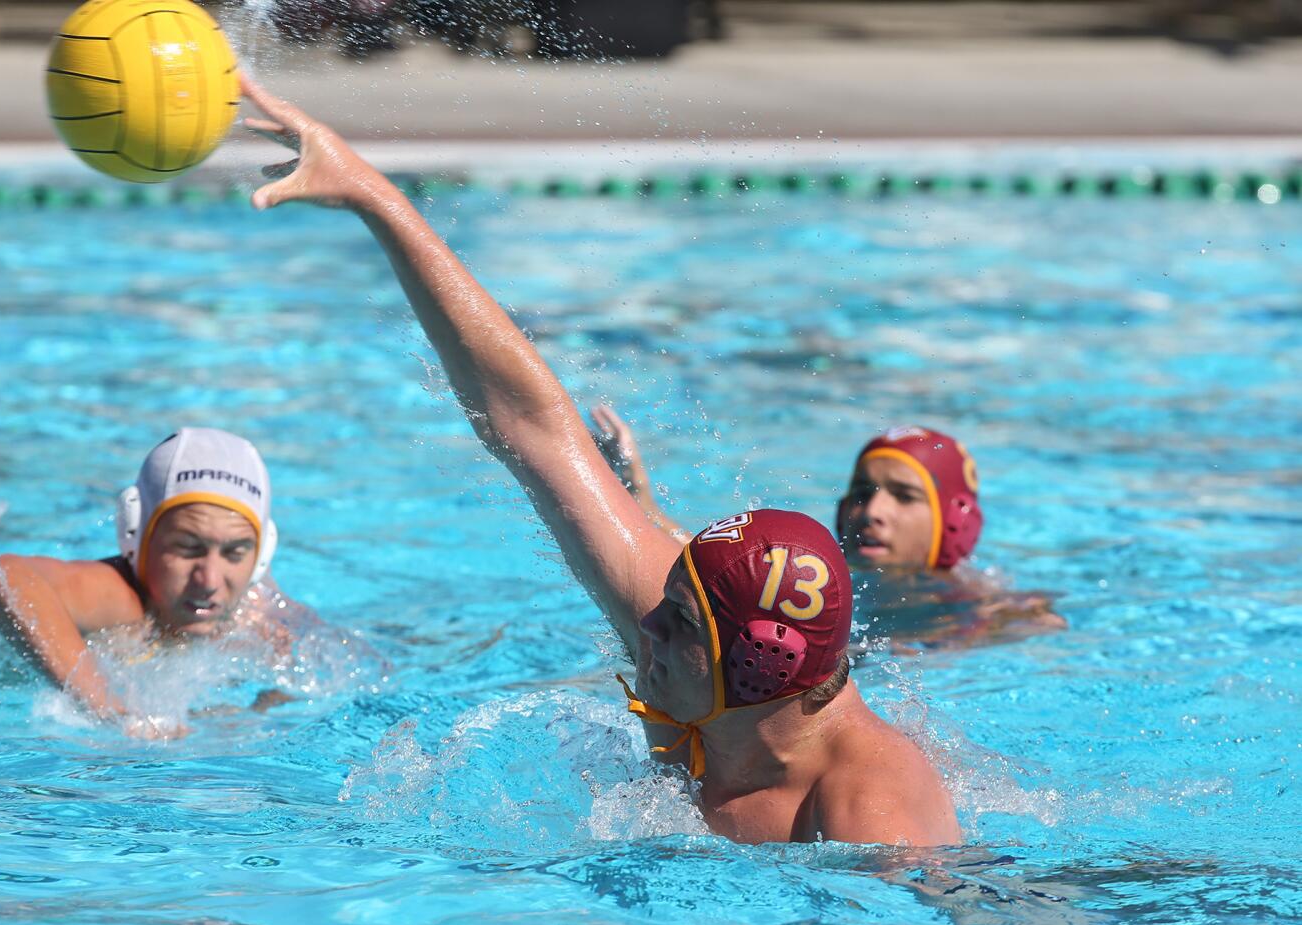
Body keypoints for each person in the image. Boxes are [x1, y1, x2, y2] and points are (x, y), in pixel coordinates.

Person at [241, 77, 961, 846]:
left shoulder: (868, 816)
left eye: (675, 618)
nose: (641, 621)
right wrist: (373, 196)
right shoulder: (706, 666)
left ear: (757, 666)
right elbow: (531, 425)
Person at [592, 409, 1065, 645]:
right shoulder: (810, 575)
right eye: (861, 492)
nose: (872, 511)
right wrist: (637, 494)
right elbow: (714, 560)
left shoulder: (992, 609)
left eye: (904, 496)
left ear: (953, 522)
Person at [0, 427, 303, 736]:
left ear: (261, 555)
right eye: (188, 548)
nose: (209, 581)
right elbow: (3, 575)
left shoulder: (259, 616)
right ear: (134, 534)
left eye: (234, 553)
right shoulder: (123, 599)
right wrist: (111, 710)